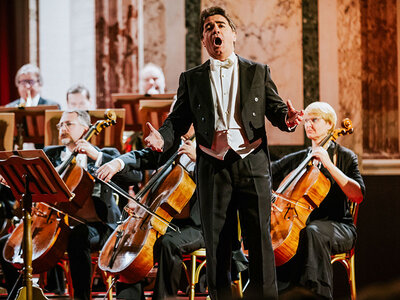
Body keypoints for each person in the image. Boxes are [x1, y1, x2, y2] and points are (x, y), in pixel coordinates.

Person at [99, 6, 303, 300]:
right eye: (208, 28)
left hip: (252, 162)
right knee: (217, 242)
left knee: (259, 241)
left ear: (233, 34)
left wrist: (288, 119)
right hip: (213, 165)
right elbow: (176, 121)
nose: (215, 30)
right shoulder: (192, 78)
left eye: (220, 25)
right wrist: (162, 137)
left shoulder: (258, 71)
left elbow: (276, 111)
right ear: (204, 41)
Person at [0, 110, 132, 300]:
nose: (62, 128)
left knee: (79, 236)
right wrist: (12, 181)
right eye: (60, 125)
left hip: (96, 226)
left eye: (68, 124)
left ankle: (81, 298)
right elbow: (33, 185)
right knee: (5, 245)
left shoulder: (106, 153)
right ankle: (20, 295)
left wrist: (97, 156)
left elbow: (132, 177)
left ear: (85, 129)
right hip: (52, 223)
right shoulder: (49, 154)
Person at [271, 102, 365, 299]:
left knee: (311, 233)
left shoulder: (345, 157)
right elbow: (267, 172)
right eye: (306, 121)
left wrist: (329, 164)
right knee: (281, 237)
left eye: (314, 120)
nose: (308, 125)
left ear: (330, 125)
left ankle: (317, 295)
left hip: (339, 226)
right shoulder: (301, 158)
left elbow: (357, 195)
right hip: (303, 226)